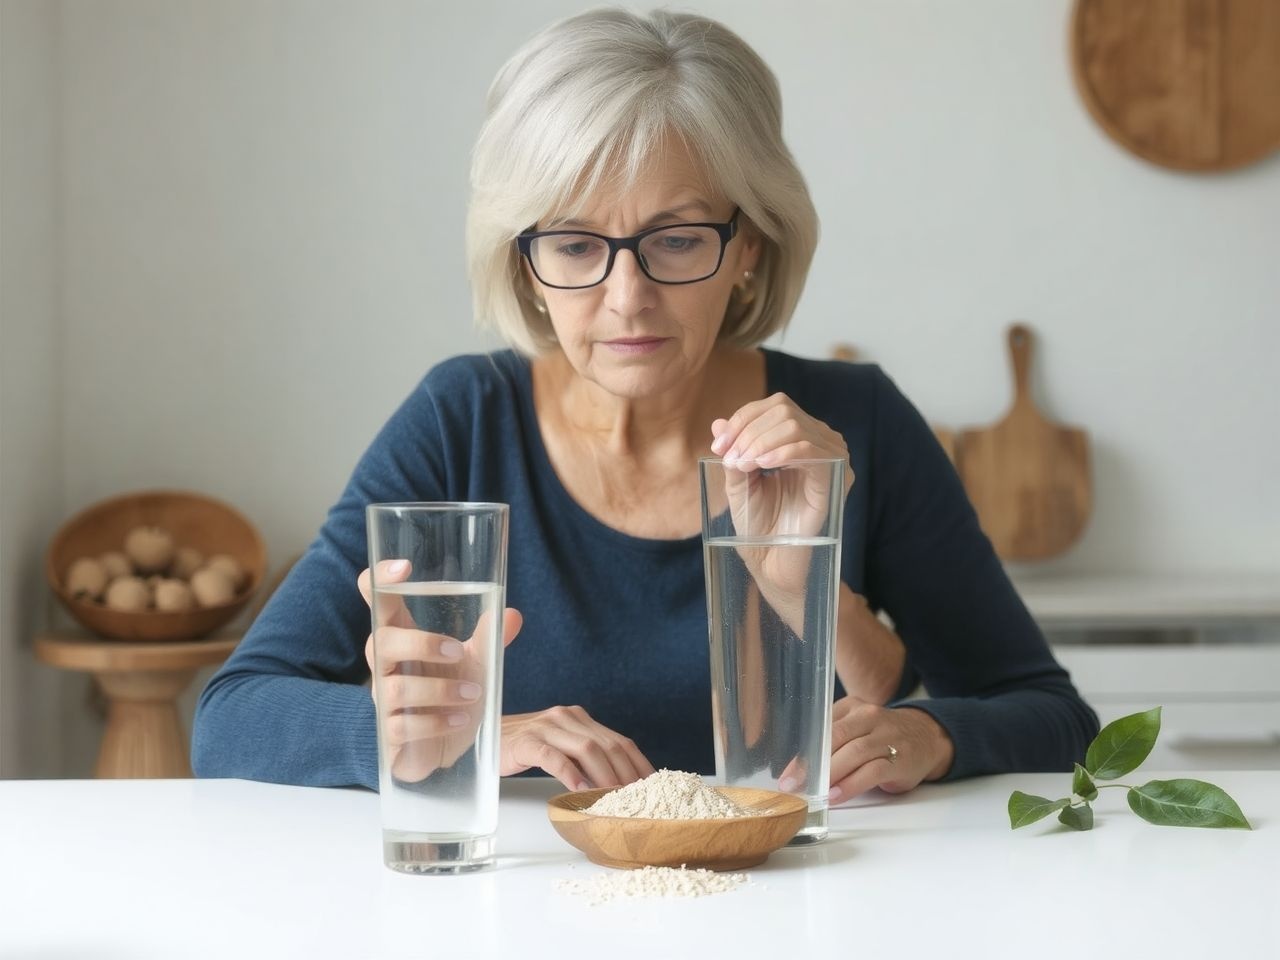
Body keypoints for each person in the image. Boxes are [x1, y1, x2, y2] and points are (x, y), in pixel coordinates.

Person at [192, 8, 1098, 802]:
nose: (627, 296)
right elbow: (232, 717)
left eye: (675, 238)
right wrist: (461, 740)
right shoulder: (461, 420)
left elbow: (1055, 718)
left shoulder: (851, 421)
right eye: (577, 244)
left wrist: (910, 708)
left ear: (749, 246)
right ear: (525, 265)